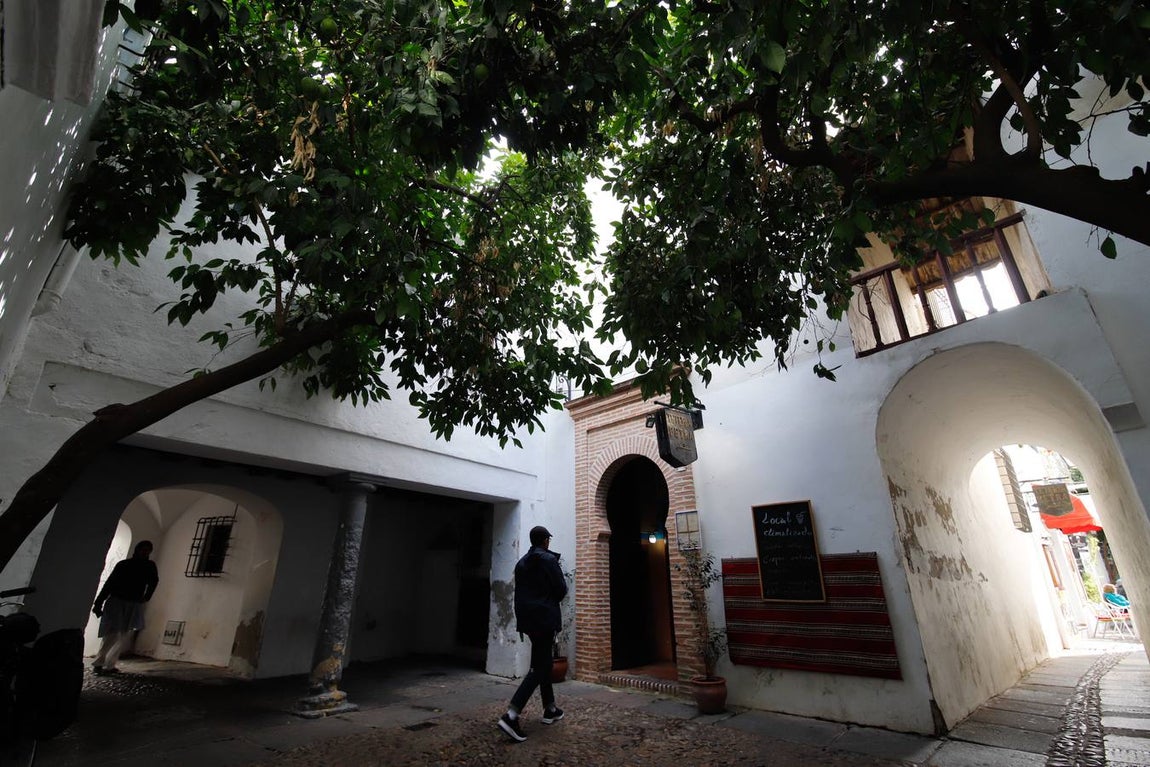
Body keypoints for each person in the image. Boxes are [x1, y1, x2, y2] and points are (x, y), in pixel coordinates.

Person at [498, 525, 567, 743]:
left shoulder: (521, 563)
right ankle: (511, 715)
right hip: (545, 618)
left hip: (529, 620)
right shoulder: (548, 560)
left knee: (542, 661)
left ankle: (550, 708)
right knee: (540, 667)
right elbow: (561, 589)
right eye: (548, 539)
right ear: (546, 540)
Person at [91, 540, 159, 675]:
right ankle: (101, 662)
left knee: (121, 634)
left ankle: (108, 664)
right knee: (113, 633)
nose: (145, 552)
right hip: (118, 600)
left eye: (148, 550)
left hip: (132, 602)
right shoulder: (125, 565)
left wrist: (146, 597)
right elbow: (110, 583)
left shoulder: (147, 566)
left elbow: (154, 582)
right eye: (143, 549)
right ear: (138, 550)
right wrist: (99, 601)